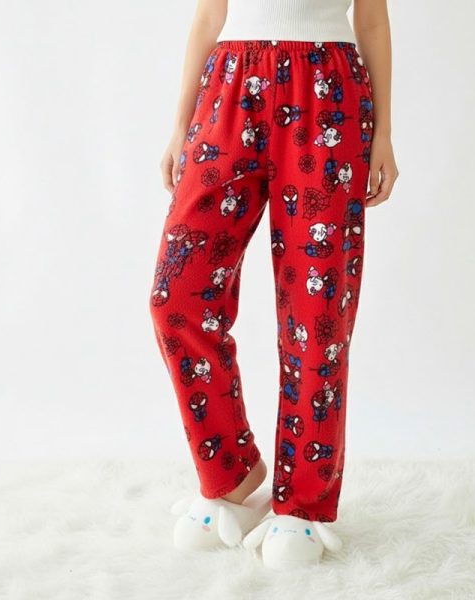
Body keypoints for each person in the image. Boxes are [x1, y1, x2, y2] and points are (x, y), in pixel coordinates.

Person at [149, 0, 398, 568]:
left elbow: (372, 19)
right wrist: (181, 125)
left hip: (328, 89)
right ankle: (231, 473)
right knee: (176, 297)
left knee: (317, 315)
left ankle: (303, 503)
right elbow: (209, 16)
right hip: (229, 86)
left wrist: (384, 132)